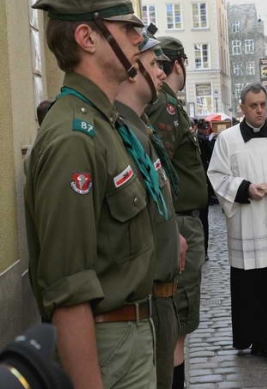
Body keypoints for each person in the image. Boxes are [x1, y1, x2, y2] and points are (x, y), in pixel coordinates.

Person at [25, 0, 157, 388]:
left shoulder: (102, 123)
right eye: (126, 28)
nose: (139, 38)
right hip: (106, 346)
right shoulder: (74, 137)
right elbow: (69, 292)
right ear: (87, 37)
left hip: (129, 336)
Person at [207, 83, 267, 361]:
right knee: (249, 285)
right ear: (242, 108)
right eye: (253, 105)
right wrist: (245, 189)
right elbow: (216, 175)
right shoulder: (226, 140)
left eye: (263, 104)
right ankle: (254, 338)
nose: (260, 110)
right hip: (246, 223)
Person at [115, 35, 187, 389]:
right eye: (154, 63)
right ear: (131, 70)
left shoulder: (138, 129)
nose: (163, 72)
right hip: (138, 302)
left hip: (159, 293)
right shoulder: (120, 133)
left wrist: (172, 234)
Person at [146, 36, 208, 388]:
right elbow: (161, 169)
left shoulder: (169, 105)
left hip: (182, 220)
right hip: (180, 221)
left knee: (179, 323)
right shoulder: (166, 107)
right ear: (179, 64)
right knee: (177, 321)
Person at [196, 119, 214, 260]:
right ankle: (204, 250)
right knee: (203, 219)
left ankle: (201, 249)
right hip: (203, 183)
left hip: (199, 183)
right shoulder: (204, 141)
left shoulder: (198, 140)